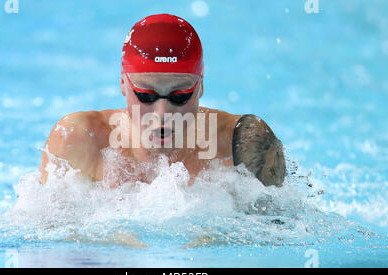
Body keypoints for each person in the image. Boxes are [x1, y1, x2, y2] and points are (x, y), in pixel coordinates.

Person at [39, 14, 285, 188]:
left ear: (200, 87)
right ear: (123, 84)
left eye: (180, 97)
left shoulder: (240, 145)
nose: (162, 113)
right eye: (146, 96)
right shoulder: (79, 139)